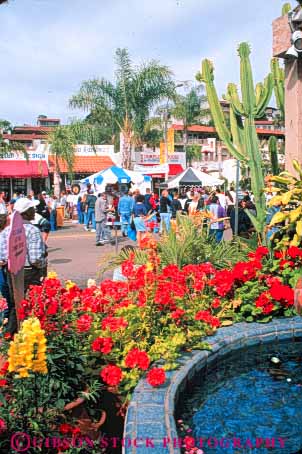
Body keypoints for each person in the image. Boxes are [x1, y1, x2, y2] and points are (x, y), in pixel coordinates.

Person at [0, 198, 47, 334]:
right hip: (29, 272)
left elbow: (3, 257)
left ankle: (12, 335)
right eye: (32, 209)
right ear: (27, 213)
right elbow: (36, 258)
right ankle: (29, 333)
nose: (35, 211)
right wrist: (43, 265)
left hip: (11, 272)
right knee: (32, 304)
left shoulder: (7, 231)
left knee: (16, 304)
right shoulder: (33, 230)